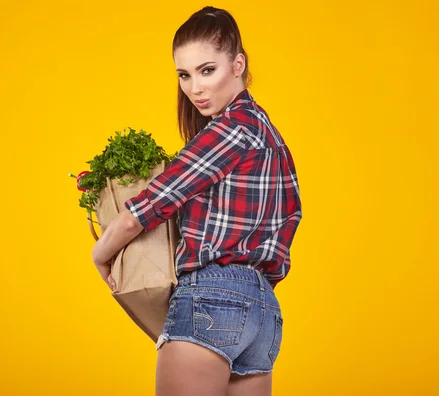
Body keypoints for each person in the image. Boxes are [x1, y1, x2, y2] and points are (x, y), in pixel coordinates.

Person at [92, 6, 303, 396]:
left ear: (238, 64)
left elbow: (144, 210)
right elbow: (292, 216)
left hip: (213, 298)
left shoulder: (230, 129)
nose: (195, 88)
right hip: (263, 314)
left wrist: (101, 253)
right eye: (184, 75)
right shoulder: (272, 138)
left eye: (208, 70)